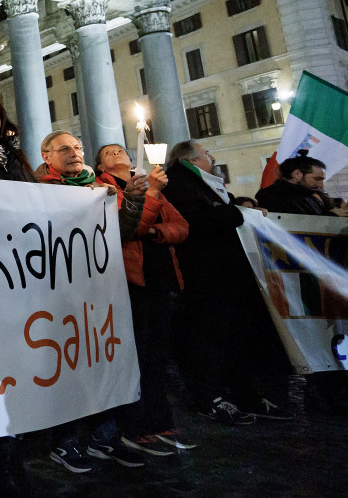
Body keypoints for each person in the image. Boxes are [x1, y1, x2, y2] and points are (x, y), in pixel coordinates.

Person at [162, 140, 293, 426]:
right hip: (204, 275)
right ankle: (209, 397)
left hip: (226, 274)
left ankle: (243, 394)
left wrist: (238, 205)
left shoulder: (203, 183)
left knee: (235, 337)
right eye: (207, 154)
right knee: (208, 339)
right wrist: (236, 212)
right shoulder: (178, 183)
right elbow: (194, 222)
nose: (212, 157)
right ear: (192, 160)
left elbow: (218, 209)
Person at [38, 131, 147, 473]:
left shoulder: (102, 187)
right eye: (64, 149)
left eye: (78, 148)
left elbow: (124, 232)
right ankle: (64, 441)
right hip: (62, 295)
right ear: (47, 157)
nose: (74, 153)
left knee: (105, 363)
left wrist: (133, 200)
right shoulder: (41, 189)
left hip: (104, 291)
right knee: (67, 368)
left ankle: (105, 437)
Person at [94, 144, 194, 454]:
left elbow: (181, 227)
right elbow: (128, 228)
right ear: (100, 166)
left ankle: (160, 423)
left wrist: (154, 232)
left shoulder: (153, 186)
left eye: (120, 150)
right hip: (129, 282)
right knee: (135, 356)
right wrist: (149, 198)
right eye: (108, 153)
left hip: (159, 279)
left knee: (157, 356)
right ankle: (134, 428)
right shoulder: (101, 189)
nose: (117, 153)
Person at [256, 151, 348, 216]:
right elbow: (294, 225)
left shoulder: (309, 196)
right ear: (297, 174)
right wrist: (332, 216)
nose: (321, 185)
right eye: (317, 179)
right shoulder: (272, 196)